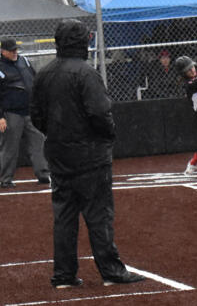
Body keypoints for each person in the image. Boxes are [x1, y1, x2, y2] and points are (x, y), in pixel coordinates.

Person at [30, 19, 145, 288]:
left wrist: (57, 134)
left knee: (64, 216)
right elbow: (100, 113)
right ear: (83, 42)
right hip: (90, 155)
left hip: (59, 155)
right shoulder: (86, 73)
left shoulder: (44, 74)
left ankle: (64, 275)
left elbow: (36, 116)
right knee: (98, 214)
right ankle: (111, 271)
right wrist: (106, 136)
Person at [0, 38, 50, 188]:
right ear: (3, 51)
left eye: (16, 49)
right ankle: (6, 179)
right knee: (9, 148)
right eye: (11, 50)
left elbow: (34, 81)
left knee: (38, 144)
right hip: (11, 114)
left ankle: (43, 174)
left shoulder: (24, 62)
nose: (15, 52)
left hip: (30, 111)